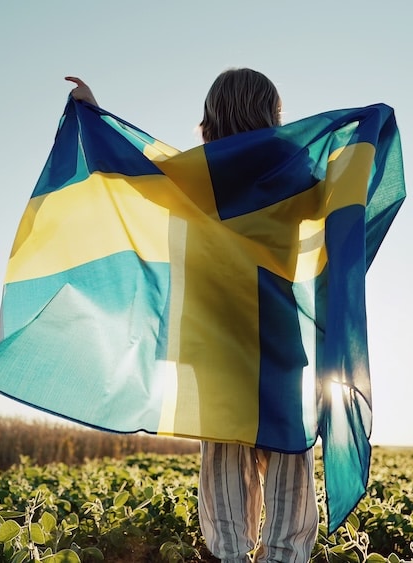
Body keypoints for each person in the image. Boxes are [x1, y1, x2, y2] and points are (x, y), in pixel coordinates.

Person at [65, 69, 319, 563]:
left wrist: (91, 113)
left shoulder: (193, 176)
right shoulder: (294, 170)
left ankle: (229, 556)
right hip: (277, 343)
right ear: (271, 114)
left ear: (211, 118)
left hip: (212, 345)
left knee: (224, 465)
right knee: (288, 459)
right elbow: (333, 205)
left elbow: (127, 169)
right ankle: (286, 556)